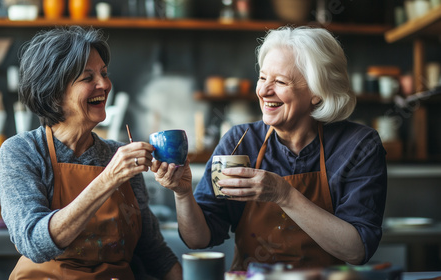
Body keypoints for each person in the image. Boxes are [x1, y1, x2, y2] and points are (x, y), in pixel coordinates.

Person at [152, 26, 387, 270]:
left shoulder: (358, 146)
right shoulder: (240, 141)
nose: (264, 91)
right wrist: (182, 194)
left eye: (280, 82)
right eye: (263, 78)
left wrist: (283, 194)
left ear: (317, 93)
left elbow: (357, 250)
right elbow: (198, 239)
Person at [0, 26, 181, 280]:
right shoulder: (22, 152)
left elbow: (153, 252)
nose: (104, 85)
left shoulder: (118, 155)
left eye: (104, 74)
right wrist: (108, 179)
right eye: (87, 78)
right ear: (54, 92)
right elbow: (34, 243)